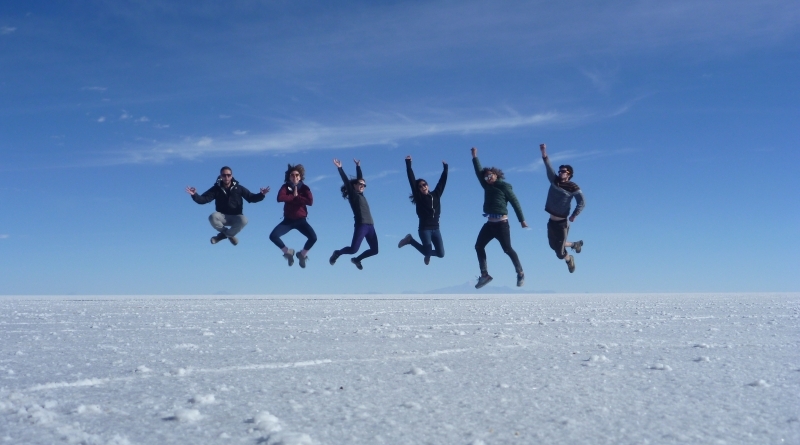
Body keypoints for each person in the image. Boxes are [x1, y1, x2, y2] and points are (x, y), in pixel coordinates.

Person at [471, 147, 528, 288]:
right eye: (486, 177)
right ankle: (484, 275)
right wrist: (474, 157)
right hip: (490, 224)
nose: (488, 179)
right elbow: (478, 173)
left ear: (496, 175)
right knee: (478, 246)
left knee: (507, 249)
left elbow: (515, 203)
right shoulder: (486, 187)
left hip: (502, 224)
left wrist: (522, 220)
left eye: (490, 176)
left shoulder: (505, 187)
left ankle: (520, 273)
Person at [186, 166, 269, 245]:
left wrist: (261, 195)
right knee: (212, 217)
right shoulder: (216, 189)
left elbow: (251, 197)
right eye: (224, 175)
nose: (226, 177)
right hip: (222, 216)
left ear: (231, 176)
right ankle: (229, 235)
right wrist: (194, 195)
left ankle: (221, 236)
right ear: (221, 176)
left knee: (244, 220)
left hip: (236, 216)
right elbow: (204, 199)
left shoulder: (239, 188)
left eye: (228, 175)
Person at [539, 143, 585, 273]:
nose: (560, 173)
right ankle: (574, 244)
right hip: (551, 221)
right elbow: (548, 168)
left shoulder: (573, 187)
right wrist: (544, 153)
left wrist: (575, 214)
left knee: (560, 253)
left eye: (563, 171)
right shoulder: (554, 181)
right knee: (553, 246)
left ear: (569, 174)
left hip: (562, 223)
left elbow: (582, 201)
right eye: (559, 171)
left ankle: (569, 259)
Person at [398, 156, 448, 265]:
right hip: (424, 229)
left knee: (441, 254)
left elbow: (442, 182)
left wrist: (445, 169)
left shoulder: (436, 194)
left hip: (436, 229)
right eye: (420, 186)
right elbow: (411, 179)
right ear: (418, 189)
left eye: (424, 184)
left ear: (428, 185)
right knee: (427, 251)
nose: (423, 187)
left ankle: (427, 253)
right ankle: (411, 241)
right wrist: (408, 164)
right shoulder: (419, 198)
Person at [329, 158, 378, 270]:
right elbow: (347, 181)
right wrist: (340, 168)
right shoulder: (353, 195)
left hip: (371, 226)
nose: (362, 186)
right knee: (353, 249)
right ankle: (337, 253)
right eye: (360, 184)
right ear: (354, 185)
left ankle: (357, 260)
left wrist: (358, 166)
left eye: (364, 185)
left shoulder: (362, 195)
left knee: (375, 250)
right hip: (361, 225)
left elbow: (360, 180)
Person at [269, 164, 317, 268]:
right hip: (288, 221)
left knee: (313, 238)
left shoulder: (305, 188)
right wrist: (292, 197)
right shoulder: (285, 187)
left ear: (300, 177)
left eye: (297, 175)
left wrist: (297, 197)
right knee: (273, 236)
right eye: (292, 175)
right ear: (289, 177)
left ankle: (302, 255)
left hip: (301, 221)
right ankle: (288, 252)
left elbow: (310, 201)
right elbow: (280, 198)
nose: (294, 177)